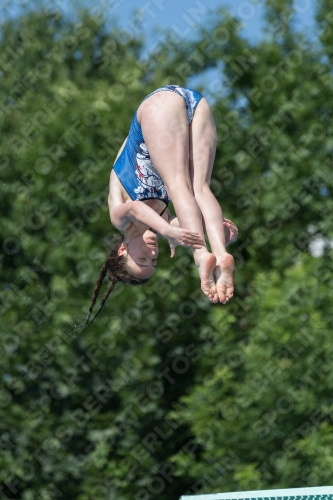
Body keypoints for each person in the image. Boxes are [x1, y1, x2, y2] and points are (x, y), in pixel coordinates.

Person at [85, 84, 238, 327]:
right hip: (195, 104)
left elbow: (137, 208)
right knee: (200, 189)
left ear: (122, 250)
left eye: (143, 259)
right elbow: (188, 220)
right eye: (154, 261)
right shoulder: (165, 222)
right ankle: (220, 255)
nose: (153, 254)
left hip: (159, 108)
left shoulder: (119, 218)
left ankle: (200, 258)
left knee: (179, 186)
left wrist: (168, 232)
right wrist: (218, 232)